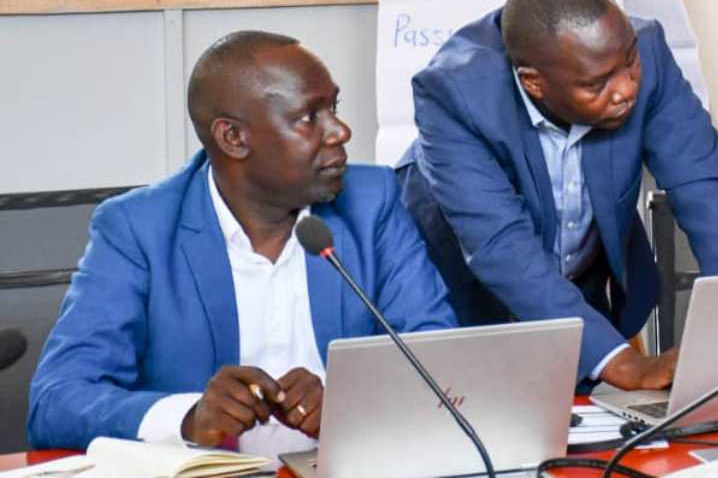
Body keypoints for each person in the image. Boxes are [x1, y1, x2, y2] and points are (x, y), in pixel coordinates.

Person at [28, 32, 457, 454]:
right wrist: (189, 416)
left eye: (334, 108)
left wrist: (351, 401)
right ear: (233, 138)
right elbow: (56, 400)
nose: (339, 131)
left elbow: (439, 359)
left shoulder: (371, 200)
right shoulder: (139, 228)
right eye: (310, 117)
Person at [397, 0, 718, 389]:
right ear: (533, 82)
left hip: (577, 304)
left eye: (630, 64)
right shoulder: (455, 94)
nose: (626, 88)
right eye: (598, 84)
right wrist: (624, 364)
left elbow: (705, 189)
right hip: (468, 309)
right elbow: (501, 247)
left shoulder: (646, 51)